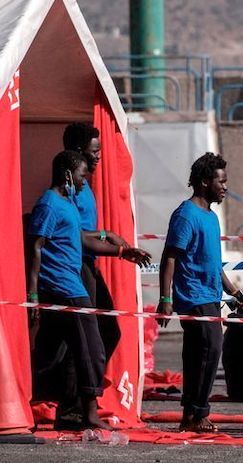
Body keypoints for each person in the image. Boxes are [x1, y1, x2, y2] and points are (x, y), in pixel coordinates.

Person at [33, 123, 153, 428]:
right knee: (86, 341)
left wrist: (111, 240)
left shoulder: (79, 190)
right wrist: (33, 292)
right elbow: (53, 237)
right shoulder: (60, 197)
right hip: (75, 272)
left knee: (88, 338)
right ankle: (74, 406)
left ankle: (72, 403)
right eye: (94, 151)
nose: (98, 158)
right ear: (75, 157)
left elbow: (79, 230)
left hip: (80, 266)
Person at [156, 152, 243, 433]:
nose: (225, 186)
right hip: (193, 298)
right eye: (221, 181)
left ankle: (192, 414)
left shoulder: (210, 216)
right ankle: (196, 414)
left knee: (203, 355)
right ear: (205, 181)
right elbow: (169, 257)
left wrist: (231, 289)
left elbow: (212, 261)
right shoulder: (186, 215)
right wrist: (166, 299)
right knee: (206, 353)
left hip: (211, 296)